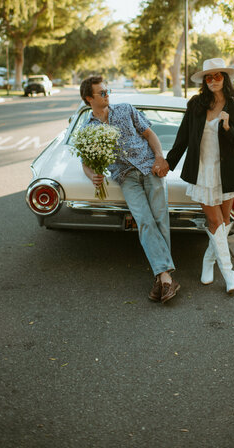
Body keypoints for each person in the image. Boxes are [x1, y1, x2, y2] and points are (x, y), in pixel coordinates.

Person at [79, 75, 180, 304]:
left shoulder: (126, 109)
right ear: (89, 98)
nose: (107, 95)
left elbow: (149, 134)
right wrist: (92, 175)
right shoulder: (88, 128)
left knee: (159, 218)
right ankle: (166, 278)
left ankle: (162, 278)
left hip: (150, 169)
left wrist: (159, 158)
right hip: (125, 177)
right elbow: (85, 161)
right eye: (102, 93)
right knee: (144, 221)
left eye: (107, 91)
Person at [165, 58, 234, 294]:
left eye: (217, 76)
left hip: (227, 172)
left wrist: (228, 128)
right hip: (202, 171)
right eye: (208, 77)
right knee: (216, 222)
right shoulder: (196, 105)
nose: (213, 80)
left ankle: (208, 262)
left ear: (225, 78)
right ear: (204, 81)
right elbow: (182, 137)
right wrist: (168, 163)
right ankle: (230, 274)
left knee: (225, 221)